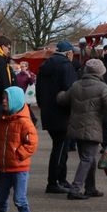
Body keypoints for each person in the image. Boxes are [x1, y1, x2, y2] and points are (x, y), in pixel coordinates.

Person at [58, 59, 107, 200]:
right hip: (92, 128)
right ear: (101, 72)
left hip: (76, 127)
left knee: (88, 158)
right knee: (87, 159)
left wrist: (58, 94)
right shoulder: (102, 87)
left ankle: (90, 188)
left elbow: (63, 99)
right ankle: (75, 189)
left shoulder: (76, 85)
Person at [37, 41, 79, 194]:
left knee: (60, 147)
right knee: (60, 148)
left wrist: (43, 106)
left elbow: (39, 91)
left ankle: (61, 179)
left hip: (48, 112)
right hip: (62, 113)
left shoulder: (44, 66)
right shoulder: (66, 66)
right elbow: (70, 91)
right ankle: (54, 181)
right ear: (68, 53)